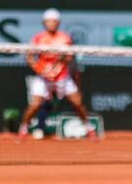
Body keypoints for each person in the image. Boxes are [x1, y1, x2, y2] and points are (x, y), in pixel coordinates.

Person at [18, 9, 95, 142]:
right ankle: (23, 129)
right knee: (34, 105)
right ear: (44, 23)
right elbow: (29, 56)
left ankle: (89, 128)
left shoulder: (64, 38)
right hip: (43, 78)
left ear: (58, 23)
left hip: (62, 77)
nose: (51, 24)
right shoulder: (38, 38)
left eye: (54, 21)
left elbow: (69, 57)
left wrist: (60, 62)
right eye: (49, 21)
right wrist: (40, 69)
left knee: (77, 103)